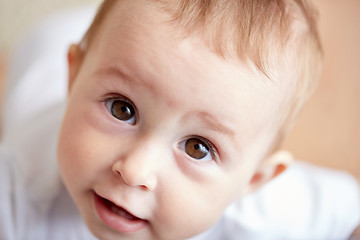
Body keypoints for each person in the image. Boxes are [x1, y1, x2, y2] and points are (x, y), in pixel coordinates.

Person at [0, 0, 359, 239]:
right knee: (42, 49)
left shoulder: (265, 212)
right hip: (46, 65)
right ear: (74, 78)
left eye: (197, 148)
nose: (136, 171)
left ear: (253, 179)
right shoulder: (14, 193)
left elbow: (348, 212)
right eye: (122, 108)